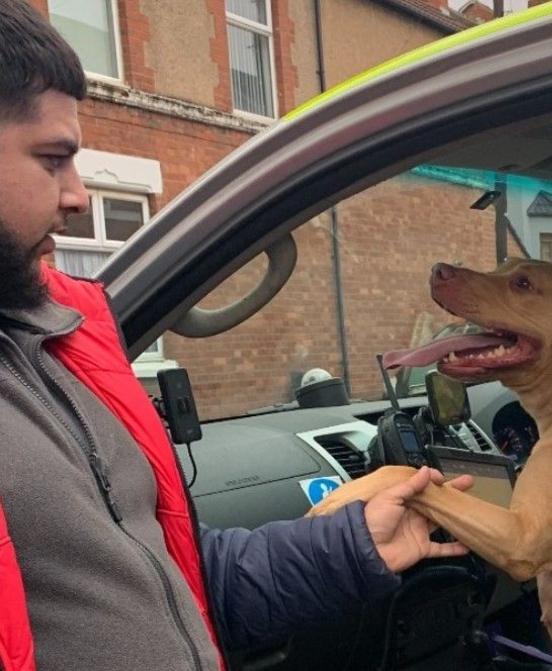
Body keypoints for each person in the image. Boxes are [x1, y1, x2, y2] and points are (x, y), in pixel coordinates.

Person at [0, 2, 470, 669]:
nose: (78, 194)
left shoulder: (61, 344)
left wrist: (356, 544)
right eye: (52, 159)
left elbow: (173, 581)